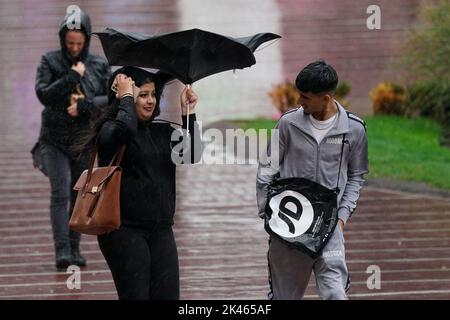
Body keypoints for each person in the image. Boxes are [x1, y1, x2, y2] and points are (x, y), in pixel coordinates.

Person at [78, 66, 202, 300]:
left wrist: (188, 114)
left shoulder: (162, 131)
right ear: (125, 98)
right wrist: (125, 96)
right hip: (124, 230)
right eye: (142, 95)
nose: (150, 101)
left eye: (153, 94)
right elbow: (126, 128)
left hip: (161, 229)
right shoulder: (110, 131)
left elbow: (191, 154)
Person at [256, 60, 368, 300]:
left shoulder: (354, 129)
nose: (299, 102)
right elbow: (267, 167)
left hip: (329, 228)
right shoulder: (288, 124)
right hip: (288, 229)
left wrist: (341, 218)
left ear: (326, 98)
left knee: (335, 294)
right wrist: (268, 213)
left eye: (305, 97)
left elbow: (357, 175)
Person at [35, 8, 111, 269]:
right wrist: (71, 77)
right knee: (60, 190)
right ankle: (62, 250)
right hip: (53, 139)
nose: (75, 48)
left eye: (80, 43)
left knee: (79, 193)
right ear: (62, 40)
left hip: (84, 141)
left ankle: (75, 247)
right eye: (70, 43)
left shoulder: (100, 65)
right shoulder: (50, 60)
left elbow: (110, 101)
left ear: (87, 41)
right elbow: (43, 94)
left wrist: (85, 105)